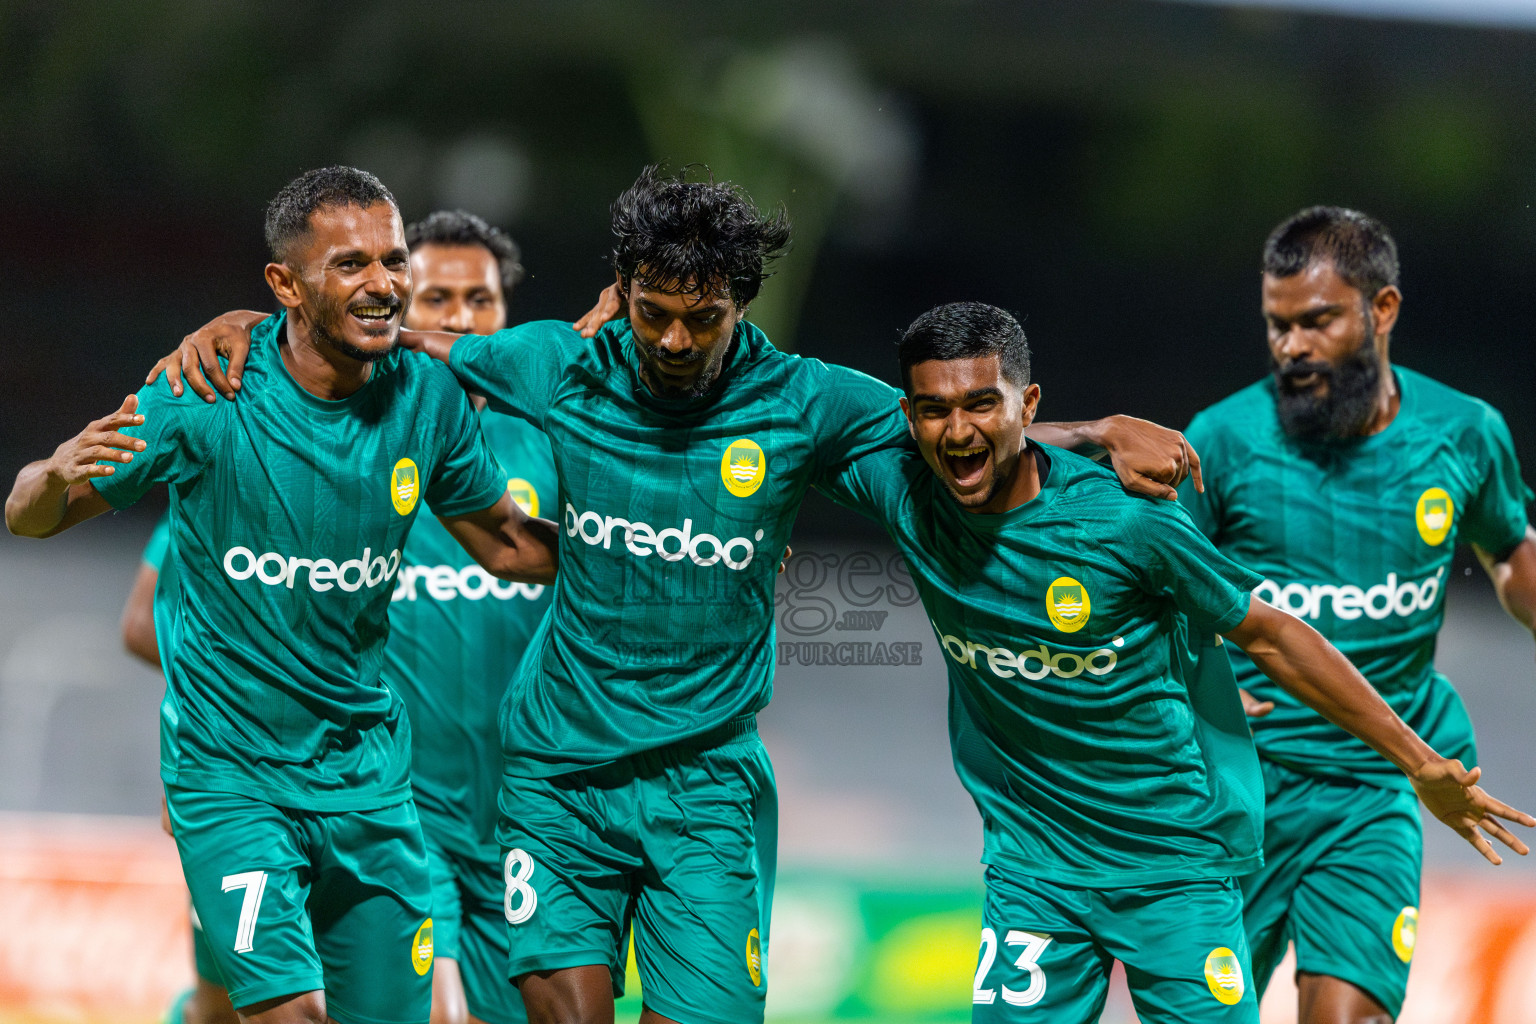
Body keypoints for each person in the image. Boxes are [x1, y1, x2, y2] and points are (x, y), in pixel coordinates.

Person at [155, 165, 1199, 1024]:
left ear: (740, 303)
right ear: (620, 291)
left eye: (700, 320)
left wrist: (1097, 432)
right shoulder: (561, 367)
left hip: (705, 790)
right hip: (558, 779)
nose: (671, 341)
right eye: (652, 314)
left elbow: (955, 430)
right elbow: (382, 329)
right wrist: (250, 318)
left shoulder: (803, 402)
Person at [816, 301, 1532, 1024]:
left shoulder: (1127, 521)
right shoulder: (902, 490)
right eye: (935, 411)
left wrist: (1418, 761)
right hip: (1034, 872)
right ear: (909, 417)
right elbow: (780, 440)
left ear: (1026, 404)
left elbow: (1273, 635)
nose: (959, 430)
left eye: (981, 404)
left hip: (1174, 867)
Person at [7, 166, 558, 1024]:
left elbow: (511, 545)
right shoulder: (208, 395)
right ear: (284, 284)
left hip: (371, 784)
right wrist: (52, 472)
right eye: (349, 264)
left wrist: (645, 555)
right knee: (281, 1013)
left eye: (391, 260)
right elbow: (31, 515)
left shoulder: (429, 401)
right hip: (235, 784)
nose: (382, 284)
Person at [1179, 207, 1536, 1024]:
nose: (1291, 347)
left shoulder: (1465, 434)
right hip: (1241, 790)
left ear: (1382, 311)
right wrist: (1189, 689)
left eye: (1316, 321)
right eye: (1277, 326)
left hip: (1377, 784)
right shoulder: (1222, 442)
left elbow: (1510, 547)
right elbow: (1158, 591)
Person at [122, 515, 239, 1024]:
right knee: (224, 998)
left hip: (338, 782)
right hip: (224, 776)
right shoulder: (213, 488)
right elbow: (139, 625)